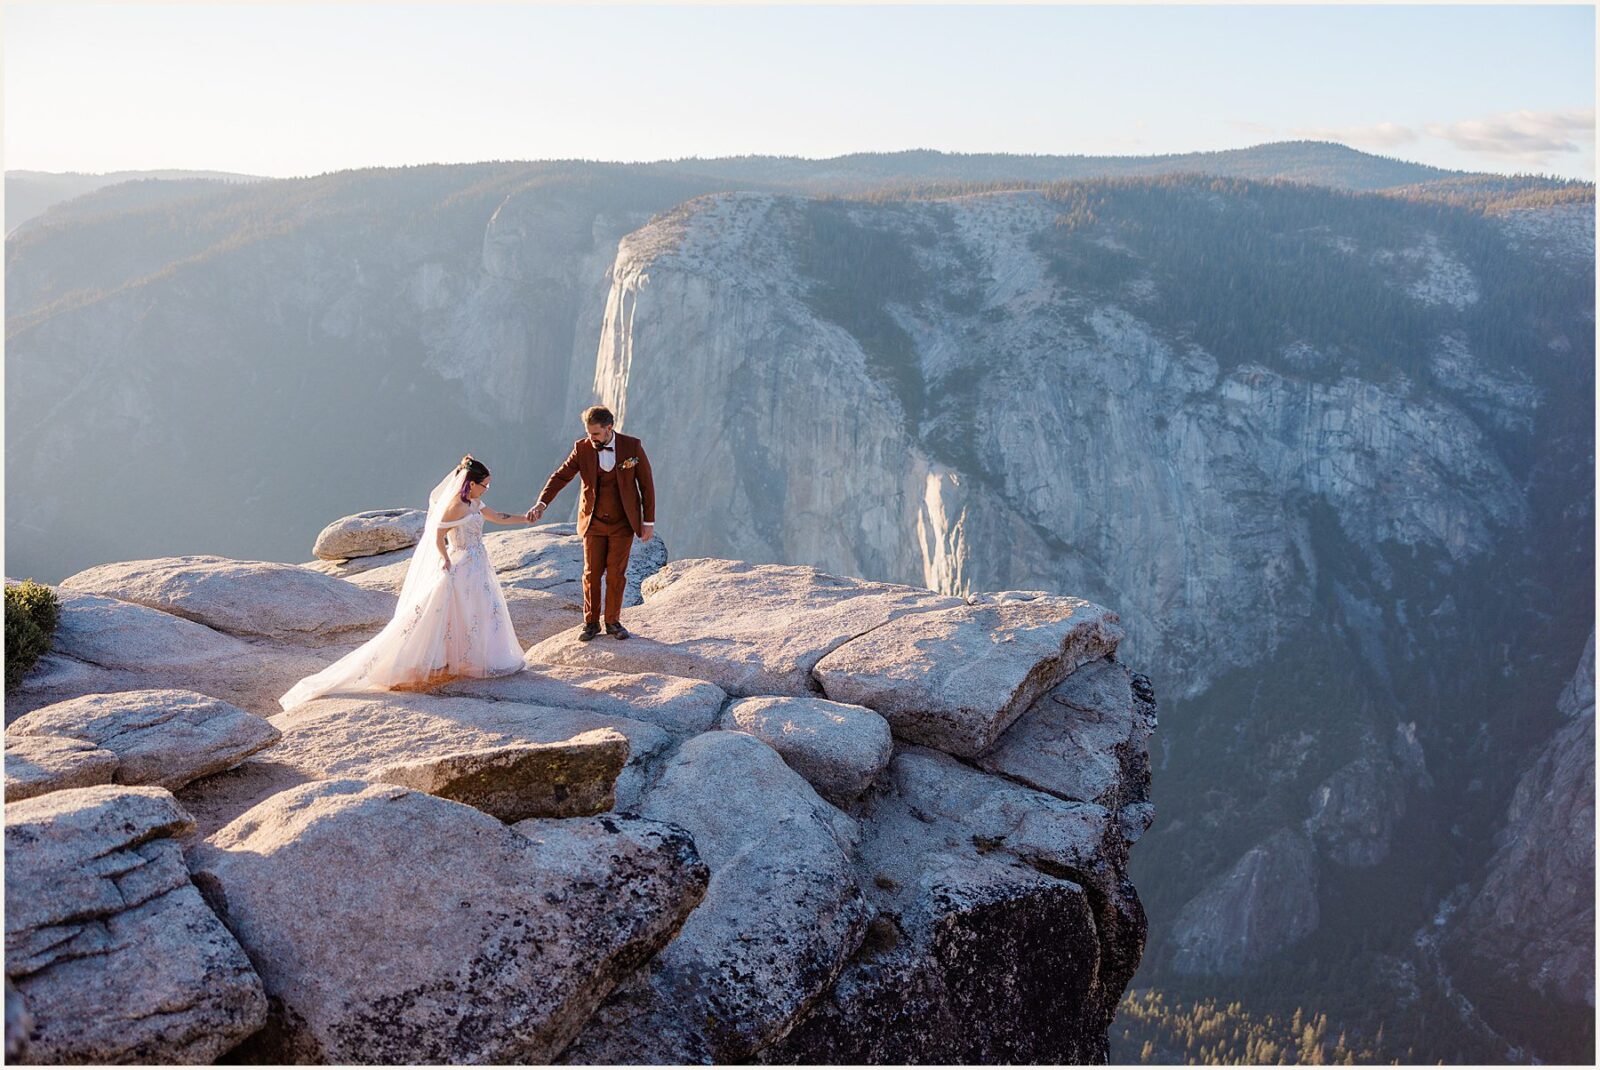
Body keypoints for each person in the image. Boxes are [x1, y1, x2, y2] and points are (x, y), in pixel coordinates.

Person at [279, 454, 527, 710]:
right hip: (461, 563)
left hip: (477, 564)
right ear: (470, 483)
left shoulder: (476, 503)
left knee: (478, 609)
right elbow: (438, 534)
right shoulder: (455, 507)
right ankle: (436, 660)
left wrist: (525, 518)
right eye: (484, 484)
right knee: (451, 611)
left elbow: (499, 516)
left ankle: (473, 657)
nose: (486, 488)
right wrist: (445, 558)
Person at [526, 406, 655, 642]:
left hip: (623, 523)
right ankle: (590, 622)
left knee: (616, 574)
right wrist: (542, 503)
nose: (591, 438)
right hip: (593, 522)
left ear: (609, 428)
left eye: (595, 433)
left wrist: (648, 522)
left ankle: (613, 622)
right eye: (588, 433)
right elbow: (561, 476)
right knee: (591, 573)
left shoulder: (632, 447)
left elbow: (646, 485)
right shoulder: (581, 448)